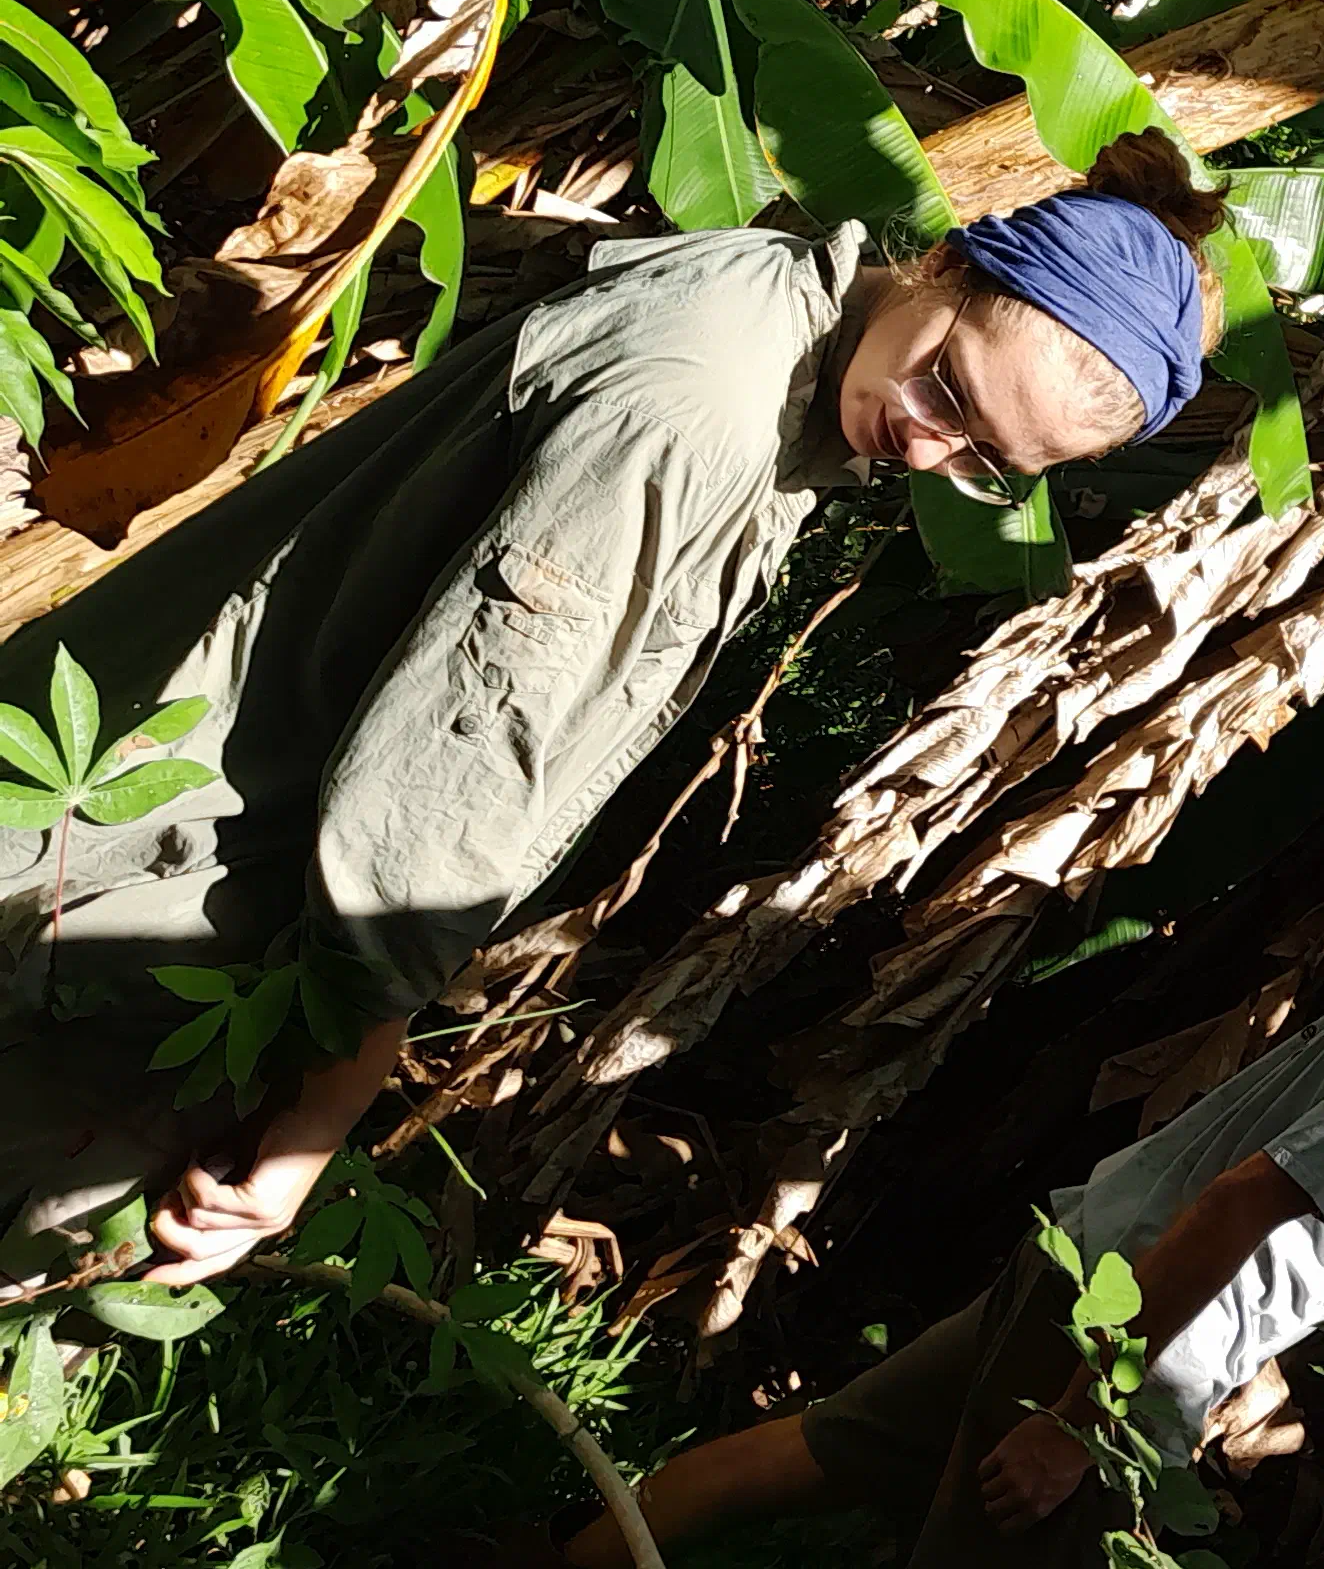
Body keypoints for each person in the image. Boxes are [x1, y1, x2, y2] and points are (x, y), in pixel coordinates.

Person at [0, 131, 1236, 1285]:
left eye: (982, 463)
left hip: (144, 771)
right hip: (145, 863)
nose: (923, 449)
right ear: (948, 266)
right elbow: (450, 772)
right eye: (949, 393)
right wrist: (330, 1099)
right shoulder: (701, 420)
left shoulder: (776, 292)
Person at [468, 835, 1324, 1569]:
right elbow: (1244, 1201)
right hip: (1117, 1331)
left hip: (1090, 1264)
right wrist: (1080, 1421)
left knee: (820, 1453)